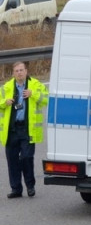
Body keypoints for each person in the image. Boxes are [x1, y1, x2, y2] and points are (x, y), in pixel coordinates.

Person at [2, 61, 49, 198]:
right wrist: (4, 102)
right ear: (13, 73)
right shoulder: (7, 87)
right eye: (16, 71)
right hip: (12, 130)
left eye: (21, 70)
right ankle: (16, 189)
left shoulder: (35, 85)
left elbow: (47, 98)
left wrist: (33, 94)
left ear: (26, 71)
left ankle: (30, 186)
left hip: (27, 129)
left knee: (26, 158)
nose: (19, 73)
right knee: (12, 160)